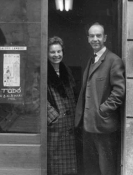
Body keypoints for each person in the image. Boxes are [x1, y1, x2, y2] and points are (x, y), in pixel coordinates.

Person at [75, 22, 125, 175]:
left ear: (105, 38)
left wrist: (102, 110)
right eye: (92, 36)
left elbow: (119, 91)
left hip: (104, 125)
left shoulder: (113, 60)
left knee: (106, 168)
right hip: (88, 125)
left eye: (98, 35)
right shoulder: (91, 60)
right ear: (88, 39)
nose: (95, 39)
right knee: (91, 167)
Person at [47, 36, 78, 175]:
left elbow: (73, 94)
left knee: (69, 164)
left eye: (59, 51)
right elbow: (36, 99)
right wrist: (54, 118)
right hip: (55, 127)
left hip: (69, 125)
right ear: (47, 53)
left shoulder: (67, 71)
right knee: (56, 163)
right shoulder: (41, 72)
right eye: (52, 52)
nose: (56, 55)